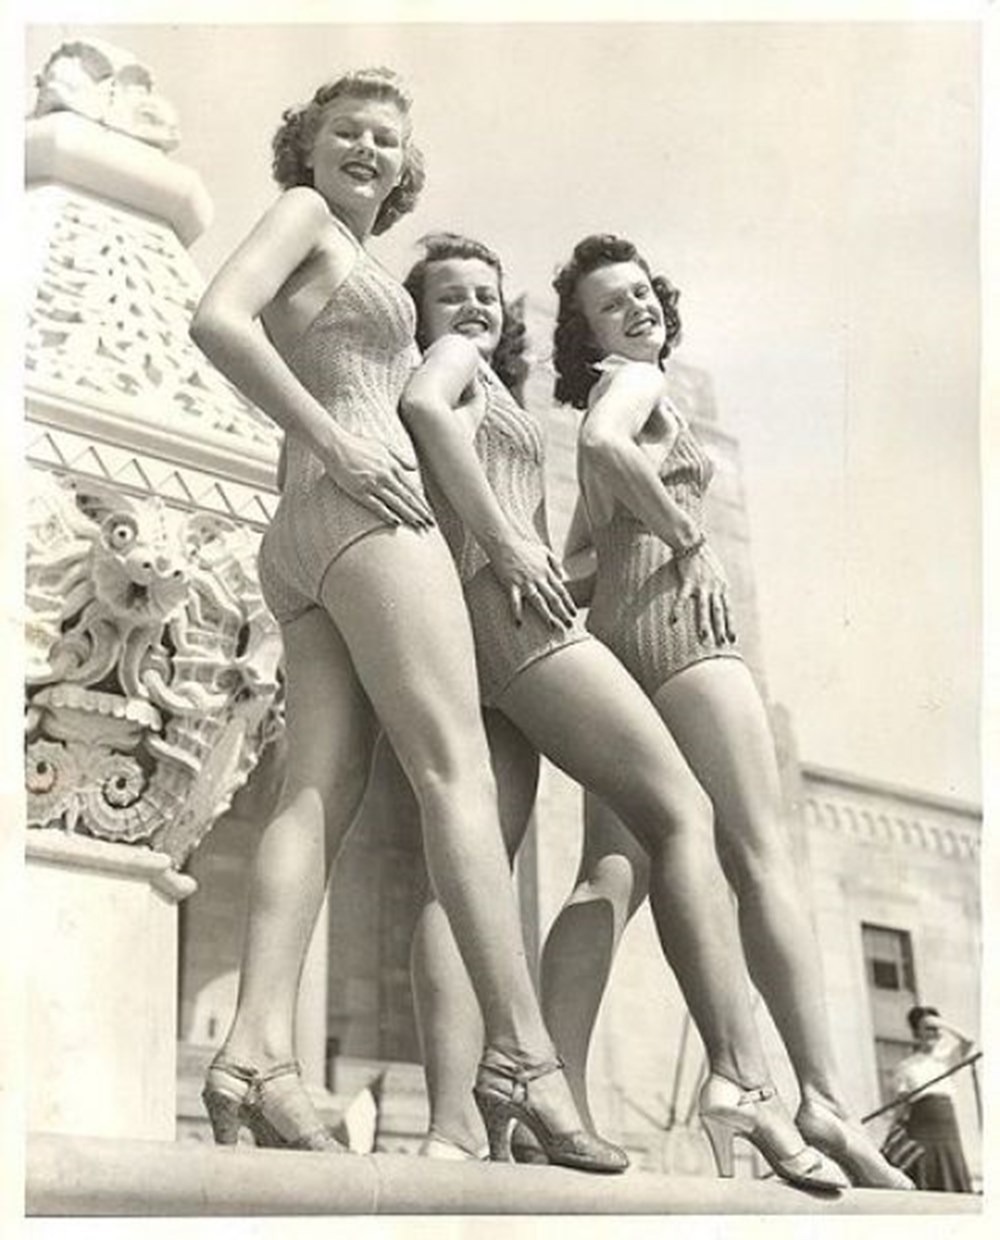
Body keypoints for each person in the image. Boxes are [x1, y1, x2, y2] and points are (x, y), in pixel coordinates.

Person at [188, 70, 625, 1173]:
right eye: (347, 131)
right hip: (363, 511)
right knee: (454, 772)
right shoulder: (305, 214)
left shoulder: (349, 250)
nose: (369, 150)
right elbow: (216, 319)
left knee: (316, 790)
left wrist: (326, 454)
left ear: (406, 165)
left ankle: (255, 1053)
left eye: (387, 138)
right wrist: (340, 443)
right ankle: (521, 1052)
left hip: (301, 534)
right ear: (307, 144)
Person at [399, 232, 846, 1190]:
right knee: (685, 815)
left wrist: (548, 564)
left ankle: (460, 1122)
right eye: (451, 296)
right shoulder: (484, 370)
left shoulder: (493, 386)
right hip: (532, 619)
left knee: (478, 862)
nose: (475, 309)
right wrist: (678, 539)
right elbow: (464, 419)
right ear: (419, 315)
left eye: (488, 294)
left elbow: (577, 546)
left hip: (479, 622)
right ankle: (745, 1077)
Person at [543, 232, 914, 1190]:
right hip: (683, 629)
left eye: (641, 293)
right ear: (589, 336)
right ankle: (823, 1098)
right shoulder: (635, 385)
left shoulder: (611, 391)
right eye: (611, 305)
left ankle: (550, 1094)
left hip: (619, 643)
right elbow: (605, 445)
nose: (636, 309)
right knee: (760, 855)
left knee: (609, 872)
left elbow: (581, 556)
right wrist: (687, 538)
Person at [892, 1006, 975, 1192]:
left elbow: (969, 1040)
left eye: (935, 1029)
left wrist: (941, 1023)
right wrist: (894, 1131)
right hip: (920, 1124)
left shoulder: (946, 1059)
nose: (933, 1033)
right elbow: (901, 1105)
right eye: (927, 1028)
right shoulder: (905, 1066)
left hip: (945, 1122)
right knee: (924, 1171)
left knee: (951, 1166)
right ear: (916, 1032)